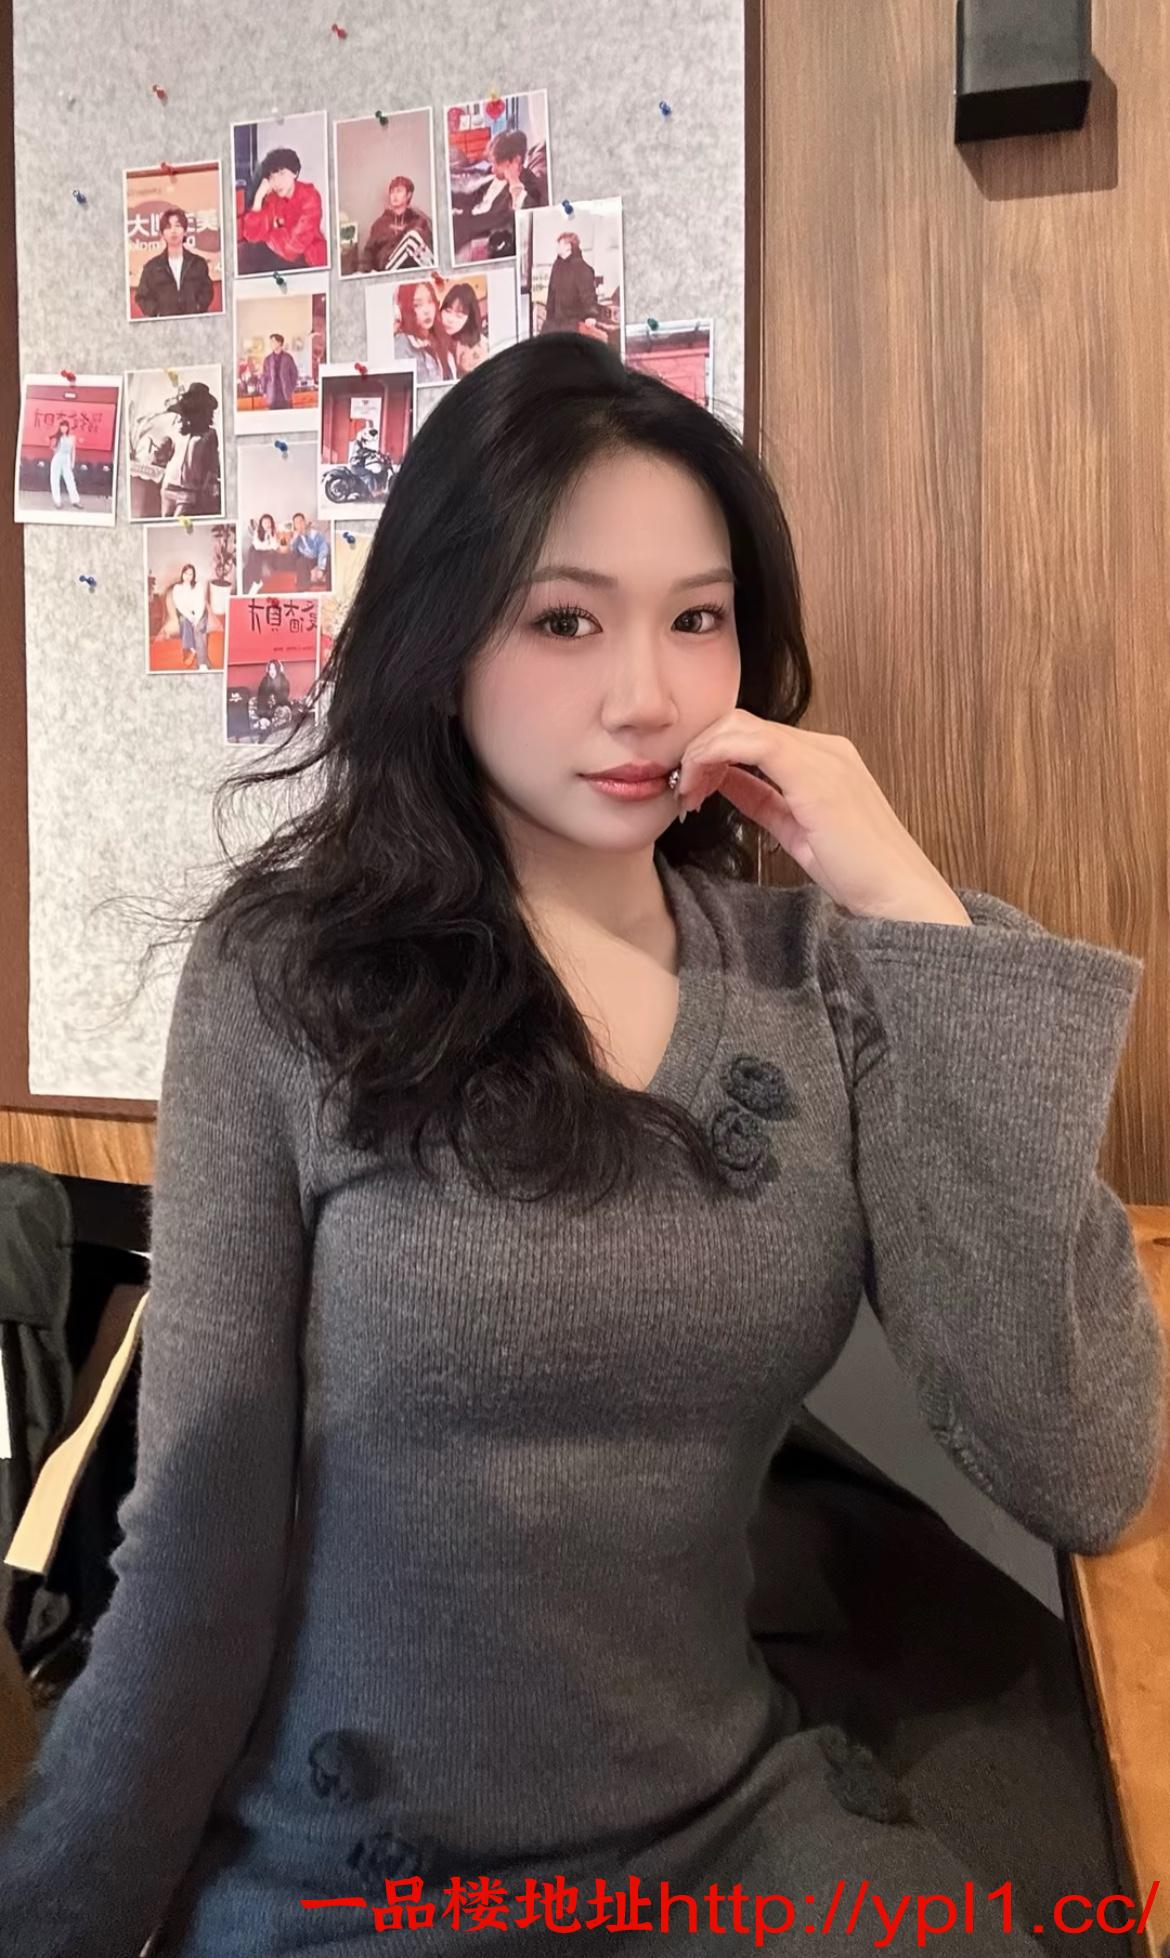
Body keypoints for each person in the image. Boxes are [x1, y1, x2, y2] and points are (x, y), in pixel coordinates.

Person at [0, 333, 1162, 1958]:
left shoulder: (823, 976)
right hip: (356, 1872)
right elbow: (197, 1545)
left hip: (722, 1829)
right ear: (439, 642)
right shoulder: (288, 978)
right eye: (565, 620)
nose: (647, 694)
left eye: (697, 618)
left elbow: (1079, 1463)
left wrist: (909, 903)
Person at [451, 126, 546, 259]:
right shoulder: (492, 176)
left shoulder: (528, 187)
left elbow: (526, 222)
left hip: (464, 236)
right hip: (458, 219)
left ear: (515, 161)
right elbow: (471, 196)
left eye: (496, 164)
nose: (492, 169)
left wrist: (514, 182)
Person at [238, 146, 327, 274]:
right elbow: (252, 236)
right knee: (245, 255)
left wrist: (269, 235)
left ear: (295, 173)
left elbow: (293, 247)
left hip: (310, 261)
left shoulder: (310, 196)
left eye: (281, 174)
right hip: (279, 260)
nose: (277, 182)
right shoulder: (272, 199)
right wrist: (258, 198)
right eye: (272, 177)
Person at [148, 380, 221, 519]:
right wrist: (161, 450)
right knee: (165, 524)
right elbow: (168, 453)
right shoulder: (177, 429)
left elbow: (212, 466)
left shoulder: (209, 434)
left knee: (177, 522)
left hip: (189, 492)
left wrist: (204, 489)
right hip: (168, 486)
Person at [134, 206, 215, 318]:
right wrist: (157, 314)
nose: (173, 231)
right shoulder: (152, 268)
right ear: (162, 234)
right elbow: (142, 296)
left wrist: (197, 308)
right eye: (168, 227)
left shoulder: (198, 263)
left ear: (185, 231)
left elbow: (207, 291)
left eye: (177, 226)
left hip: (193, 321)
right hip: (165, 324)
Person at [359, 173, 435, 273]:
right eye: (392, 192)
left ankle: (434, 273)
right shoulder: (380, 223)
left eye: (399, 191)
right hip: (387, 268)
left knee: (415, 236)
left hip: (411, 268)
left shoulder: (418, 221)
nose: (394, 195)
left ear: (408, 195)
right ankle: (435, 273)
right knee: (412, 238)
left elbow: (428, 247)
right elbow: (369, 252)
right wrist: (368, 273)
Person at [541, 230, 610, 341]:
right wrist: (548, 311)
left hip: (573, 322)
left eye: (560, 244)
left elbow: (588, 293)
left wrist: (590, 315)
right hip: (555, 321)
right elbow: (551, 291)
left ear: (568, 246)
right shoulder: (557, 265)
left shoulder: (581, 268)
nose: (557, 247)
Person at [392, 281, 458, 382]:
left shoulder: (440, 337)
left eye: (430, 301)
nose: (427, 310)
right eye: (417, 305)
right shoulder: (402, 343)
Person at [439, 281, 488, 374]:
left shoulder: (478, 346)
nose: (450, 319)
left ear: (469, 319)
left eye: (459, 316)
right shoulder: (432, 334)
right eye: (448, 311)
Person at [170, 563, 211, 670]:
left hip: (200, 613)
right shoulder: (177, 588)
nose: (188, 577)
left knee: (197, 630)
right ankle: (192, 649)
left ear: (193, 576)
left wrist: (196, 618)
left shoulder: (198, 586)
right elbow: (179, 606)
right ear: (182, 574)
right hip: (185, 613)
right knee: (183, 621)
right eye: (186, 573)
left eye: (190, 574)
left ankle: (202, 664)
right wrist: (190, 617)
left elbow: (200, 604)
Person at [346, 417, 387, 499]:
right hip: (356, 467)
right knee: (369, 474)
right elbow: (361, 452)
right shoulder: (357, 445)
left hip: (358, 465)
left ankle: (369, 490)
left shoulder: (360, 444)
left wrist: (374, 452)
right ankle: (374, 492)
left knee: (372, 469)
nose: (365, 441)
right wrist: (371, 454)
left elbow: (365, 450)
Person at [241, 512, 280, 594]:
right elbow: (257, 546)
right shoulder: (257, 532)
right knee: (253, 551)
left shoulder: (274, 531)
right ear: (261, 524)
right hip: (259, 552)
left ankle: (257, 582)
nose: (267, 525)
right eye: (264, 523)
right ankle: (256, 582)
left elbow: (274, 546)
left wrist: (270, 536)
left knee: (254, 553)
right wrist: (266, 545)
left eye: (268, 522)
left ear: (271, 523)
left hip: (269, 554)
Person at [260, 333, 300, 412]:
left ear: (279, 343)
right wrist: (264, 390)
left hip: (285, 393)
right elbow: (264, 376)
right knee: (272, 416)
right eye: (270, 342)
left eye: (273, 341)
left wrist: (291, 388)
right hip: (272, 393)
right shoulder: (267, 359)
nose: (271, 344)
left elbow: (294, 374)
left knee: (287, 415)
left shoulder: (288, 358)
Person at [289, 510, 330, 588]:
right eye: (296, 523)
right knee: (301, 562)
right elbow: (293, 551)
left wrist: (321, 568)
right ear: (294, 526)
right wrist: (295, 539)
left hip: (318, 557)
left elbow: (323, 550)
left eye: (301, 521)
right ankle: (303, 588)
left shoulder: (315, 534)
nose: (299, 525)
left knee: (329, 559)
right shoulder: (297, 538)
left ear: (305, 522)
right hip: (308, 560)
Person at [47, 419, 80, 509]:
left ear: (68, 428)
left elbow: (73, 451)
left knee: (70, 480)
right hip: (58, 458)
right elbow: (53, 448)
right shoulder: (57, 437)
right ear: (60, 428)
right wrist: (53, 446)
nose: (64, 428)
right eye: (62, 427)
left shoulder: (72, 438)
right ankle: (57, 501)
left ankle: (75, 500)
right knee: (55, 480)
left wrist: (72, 462)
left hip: (67, 459)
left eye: (65, 427)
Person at [254, 657, 291, 722]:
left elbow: (284, 698)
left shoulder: (283, 681)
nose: (272, 671)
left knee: (282, 711)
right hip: (266, 705)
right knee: (257, 707)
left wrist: (274, 701)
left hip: (280, 704)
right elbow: (261, 696)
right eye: (270, 669)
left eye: (274, 669)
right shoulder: (265, 680)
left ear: (278, 669)